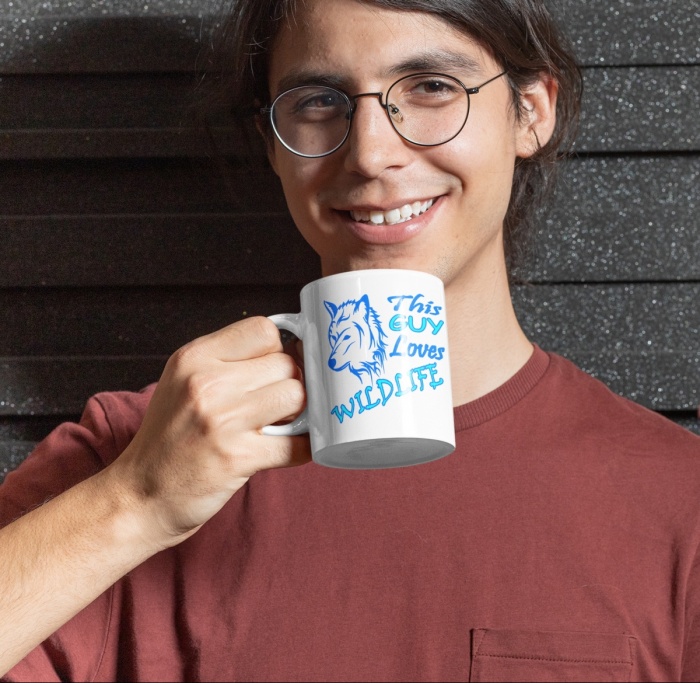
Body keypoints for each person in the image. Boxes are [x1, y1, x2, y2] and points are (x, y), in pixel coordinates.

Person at [1, 0, 698, 679]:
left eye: (430, 87)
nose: (370, 154)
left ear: (531, 110)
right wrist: (134, 502)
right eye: (318, 100)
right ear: (273, 145)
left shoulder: (678, 504)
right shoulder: (124, 457)